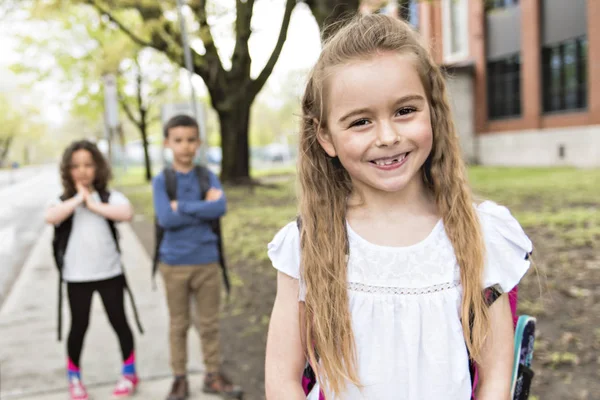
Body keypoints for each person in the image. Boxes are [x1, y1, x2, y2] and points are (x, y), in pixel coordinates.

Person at [265, 14, 533, 400]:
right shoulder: (306, 244)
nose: (388, 136)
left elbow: (495, 380)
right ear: (325, 136)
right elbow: (282, 380)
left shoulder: (482, 234)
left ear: (433, 112)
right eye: (360, 121)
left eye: (405, 111)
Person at [153, 115, 243, 400]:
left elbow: (220, 208)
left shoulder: (207, 176)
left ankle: (212, 374)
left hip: (207, 262)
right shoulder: (162, 180)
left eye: (191, 139)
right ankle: (179, 378)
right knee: (178, 324)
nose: (185, 146)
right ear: (167, 143)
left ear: (199, 142)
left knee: (209, 323)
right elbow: (166, 218)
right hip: (174, 264)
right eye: (178, 140)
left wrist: (185, 206)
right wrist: (203, 205)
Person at [45, 140, 139, 400]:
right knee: (79, 326)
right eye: (76, 166)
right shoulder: (62, 200)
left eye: (88, 164)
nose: (83, 171)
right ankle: (74, 377)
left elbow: (126, 213)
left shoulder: (110, 197)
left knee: (119, 321)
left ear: (98, 167)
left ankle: (129, 372)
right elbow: (50, 217)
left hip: (110, 273)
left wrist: (93, 203)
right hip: (77, 278)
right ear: (67, 170)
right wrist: (78, 200)